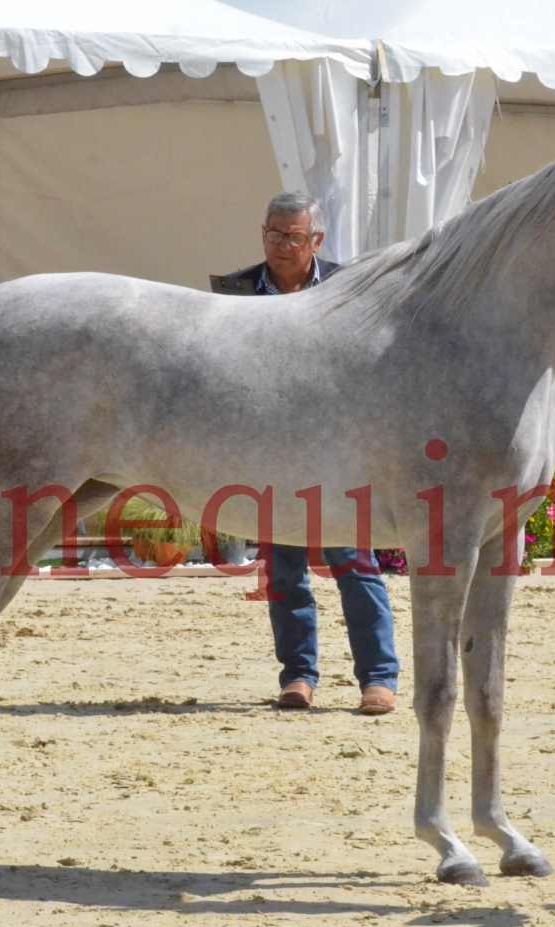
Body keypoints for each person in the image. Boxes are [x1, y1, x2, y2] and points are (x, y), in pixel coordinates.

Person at [215, 192, 401, 716]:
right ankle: (298, 676)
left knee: (354, 560)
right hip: (267, 448)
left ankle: (378, 678)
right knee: (283, 567)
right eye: (273, 234)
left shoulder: (351, 287)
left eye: (293, 237)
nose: (280, 245)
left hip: (337, 450)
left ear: (315, 240)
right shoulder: (233, 292)